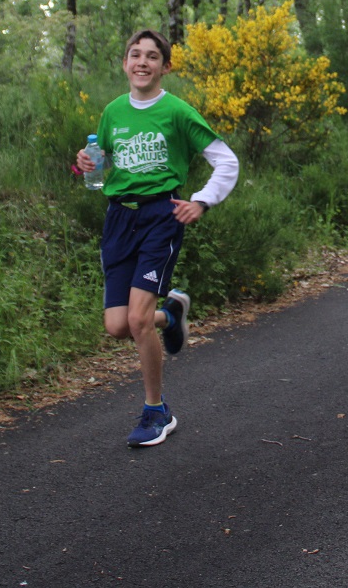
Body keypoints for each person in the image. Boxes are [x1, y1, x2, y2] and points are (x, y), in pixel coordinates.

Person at [76, 29, 239, 448]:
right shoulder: (113, 112)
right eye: (135, 55)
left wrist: (201, 201)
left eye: (152, 56)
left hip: (159, 218)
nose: (142, 62)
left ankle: (156, 411)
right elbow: (103, 161)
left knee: (136, 320)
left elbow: (226, 161)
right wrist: (86, 165)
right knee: (118, 326)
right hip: (118, 219)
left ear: (165, 67)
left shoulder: (177, 111)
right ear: (125, 63)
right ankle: (171, 314)